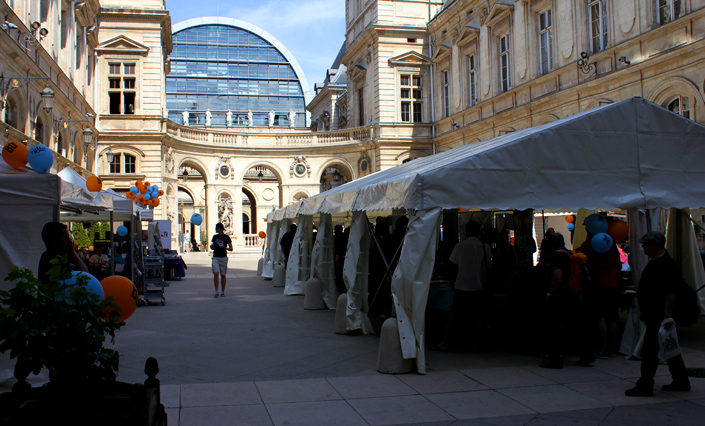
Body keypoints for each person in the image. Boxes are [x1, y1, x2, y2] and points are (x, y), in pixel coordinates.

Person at [625, 231, 690, 397]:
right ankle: (681, 380)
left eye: (646, 245)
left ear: (654, 245)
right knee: (669, 347)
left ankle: (645, 384)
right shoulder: (657, 262)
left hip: (659, 316)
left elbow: (671, 292)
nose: (643, 248)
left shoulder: (666, 265)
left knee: (650, 351)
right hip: (654, 314)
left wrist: (667, 315)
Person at [433, 220, 492, 352]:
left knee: (454, 315)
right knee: (478, 316)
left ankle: (445, 342)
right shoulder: (485, 247)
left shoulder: (460, 246)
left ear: (466, 231)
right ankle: (476, 344)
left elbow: (454, 268)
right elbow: (489, 267)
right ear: (478, 232)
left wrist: (452, 282)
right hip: (478, 286)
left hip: (462, 285)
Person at [541, 232, 595, 369]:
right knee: (575, 325)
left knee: (554, 327)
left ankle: (555, 360)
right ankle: (587, 354)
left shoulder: (557, 256)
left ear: (550, 244)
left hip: (560, 295)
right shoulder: (571, 253)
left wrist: (549, 293)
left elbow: (557, 277)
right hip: (574, 293)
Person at [576, 230, 621, 359]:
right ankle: (612, 348)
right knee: (612, 317)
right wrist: (618, 279)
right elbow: (618, 264)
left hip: (598, 284)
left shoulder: (589, 244)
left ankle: (602, 348)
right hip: (612, 284)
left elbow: (580, 257)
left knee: (601, 317)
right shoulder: (611, 244)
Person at [210, 223, 232, 298]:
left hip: (223, 257)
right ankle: (216, 291)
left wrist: (224, 248)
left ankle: (222, 290)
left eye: (217, 228)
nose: (216, 230)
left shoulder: (226, 237)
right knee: (216, 273)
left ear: (220, 229)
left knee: (223, 275)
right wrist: (211, 246)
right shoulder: (214, 237)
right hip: (215, 257)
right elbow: (212, 246)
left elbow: (231, 248)